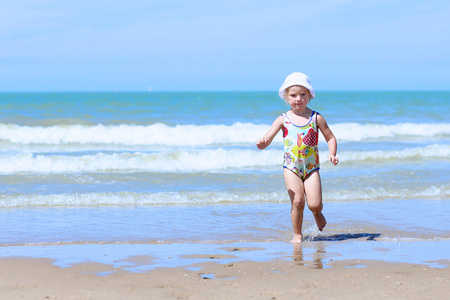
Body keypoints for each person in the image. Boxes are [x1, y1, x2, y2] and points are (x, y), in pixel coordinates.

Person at [256, 72, 339, 244]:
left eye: (303, 94)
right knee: (298, 201)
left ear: (309, 95)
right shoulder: (282, 119)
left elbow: (330, 137)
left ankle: (317, 213)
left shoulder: (316, 118)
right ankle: (297, 234)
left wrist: (332, 153)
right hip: (291, 168)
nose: (298, 99)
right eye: (293, 95)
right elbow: (267, 139)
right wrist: (262, 143)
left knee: (314, 204)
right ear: (286, 97)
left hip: (311, 168)